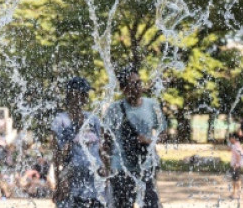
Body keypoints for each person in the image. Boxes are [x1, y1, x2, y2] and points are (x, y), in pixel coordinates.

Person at [106, 67, 167, 208]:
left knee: (152, 204)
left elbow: (164, 134)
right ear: (124, 88)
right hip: (121, 169)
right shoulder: (114, 109)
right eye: (133, 83)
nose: (138, 86)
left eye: (139, 82)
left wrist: (149, 140)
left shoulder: (152, 105)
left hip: (145, 166)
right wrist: (106, 169)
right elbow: (105, 142)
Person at [52, 76, 110, 208]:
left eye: (86, 93)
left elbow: (101, 149)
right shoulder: (60, 120)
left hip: (95, 183)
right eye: (82, 93)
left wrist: (106, 172)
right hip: (72, 183)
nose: (85, 97)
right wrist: (58, 182)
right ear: (72, 94)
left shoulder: (93, 119)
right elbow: (56, 155)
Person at [227, 131, 243, 199]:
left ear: (234, 138)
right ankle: (234, 193)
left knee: (237, 180)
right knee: (234, 179)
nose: (229, 140)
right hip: (234, 164)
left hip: (236, 165)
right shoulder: (235, 145)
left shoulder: (237, 145)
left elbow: (239, 155)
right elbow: (229, 150)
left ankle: (239, 194)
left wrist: (237, 164)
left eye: (230, 138)